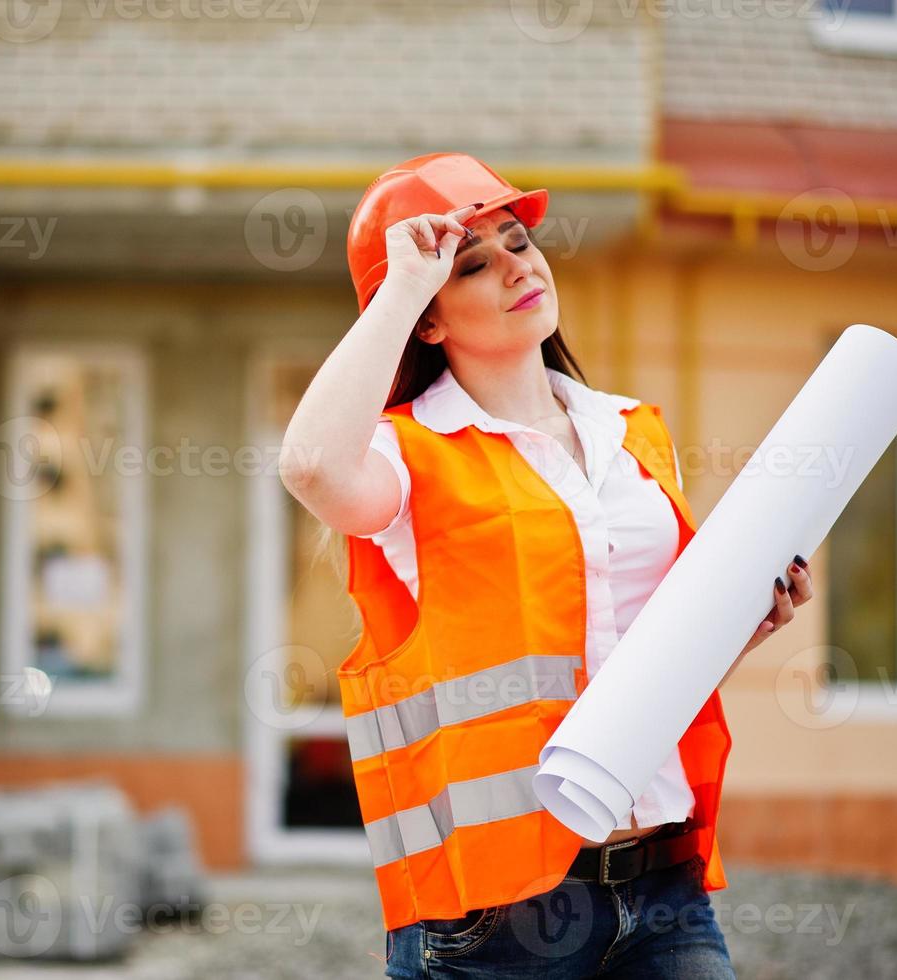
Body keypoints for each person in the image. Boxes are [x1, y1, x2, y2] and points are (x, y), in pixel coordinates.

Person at [279, 153, 813, 978]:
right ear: (428, 316)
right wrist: (399, 286)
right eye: (472, 264)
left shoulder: (632, 432)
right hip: (497, 913)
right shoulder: (407, 455)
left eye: (518, 241)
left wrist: (739, 625)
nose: (514, 268)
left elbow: (639, 654)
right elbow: (311, 466)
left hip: (662, 883)